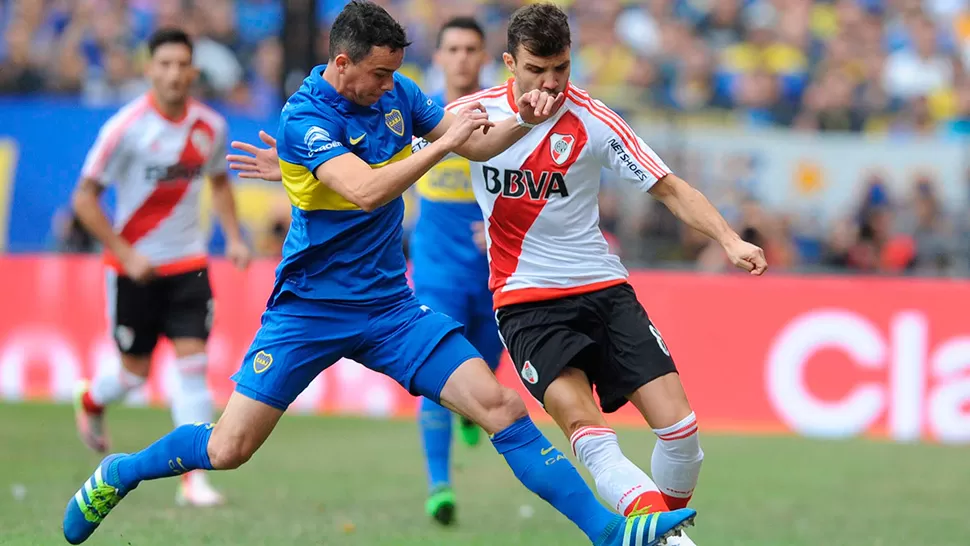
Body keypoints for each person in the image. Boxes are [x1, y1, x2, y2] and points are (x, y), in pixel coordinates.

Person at [62, 3, 694, 546]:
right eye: (380, 72)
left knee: (499, 405)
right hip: (309, 310)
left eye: (396, 72)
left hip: (391, 307)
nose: (391, 85)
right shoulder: (303, 117)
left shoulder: (395, 93)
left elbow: (470, 141)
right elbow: (365, 190)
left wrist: (524, 119)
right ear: (342, 64)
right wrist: (438, 147)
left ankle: (610, 533)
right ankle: (123, 471)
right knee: (229, 449)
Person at [69, 27, 250, 509]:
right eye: (164, 64)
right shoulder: (124, 129)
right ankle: (91, 398)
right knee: (132, 377)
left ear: (193, 70)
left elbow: (221, 184)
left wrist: (233, 237)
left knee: (193, 371)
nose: (173, 74)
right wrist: (125, 254)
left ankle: (193, 480)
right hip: (134, 271)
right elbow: (83, 200)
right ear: (149, 68)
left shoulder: (210, 127)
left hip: (189, 266)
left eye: (181, 65)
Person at [411, 16, 503, 526]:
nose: (463, 57)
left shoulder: (502, 116)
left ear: (483, 56)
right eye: (454, 49)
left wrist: (500, 221)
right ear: (440, 57)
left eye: (472, 48)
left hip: (495, 270)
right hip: (435, 268)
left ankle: (473, 407)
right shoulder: (417, 114)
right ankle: (438, 485)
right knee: (436, 370)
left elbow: (528, 181)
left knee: (485, 368)